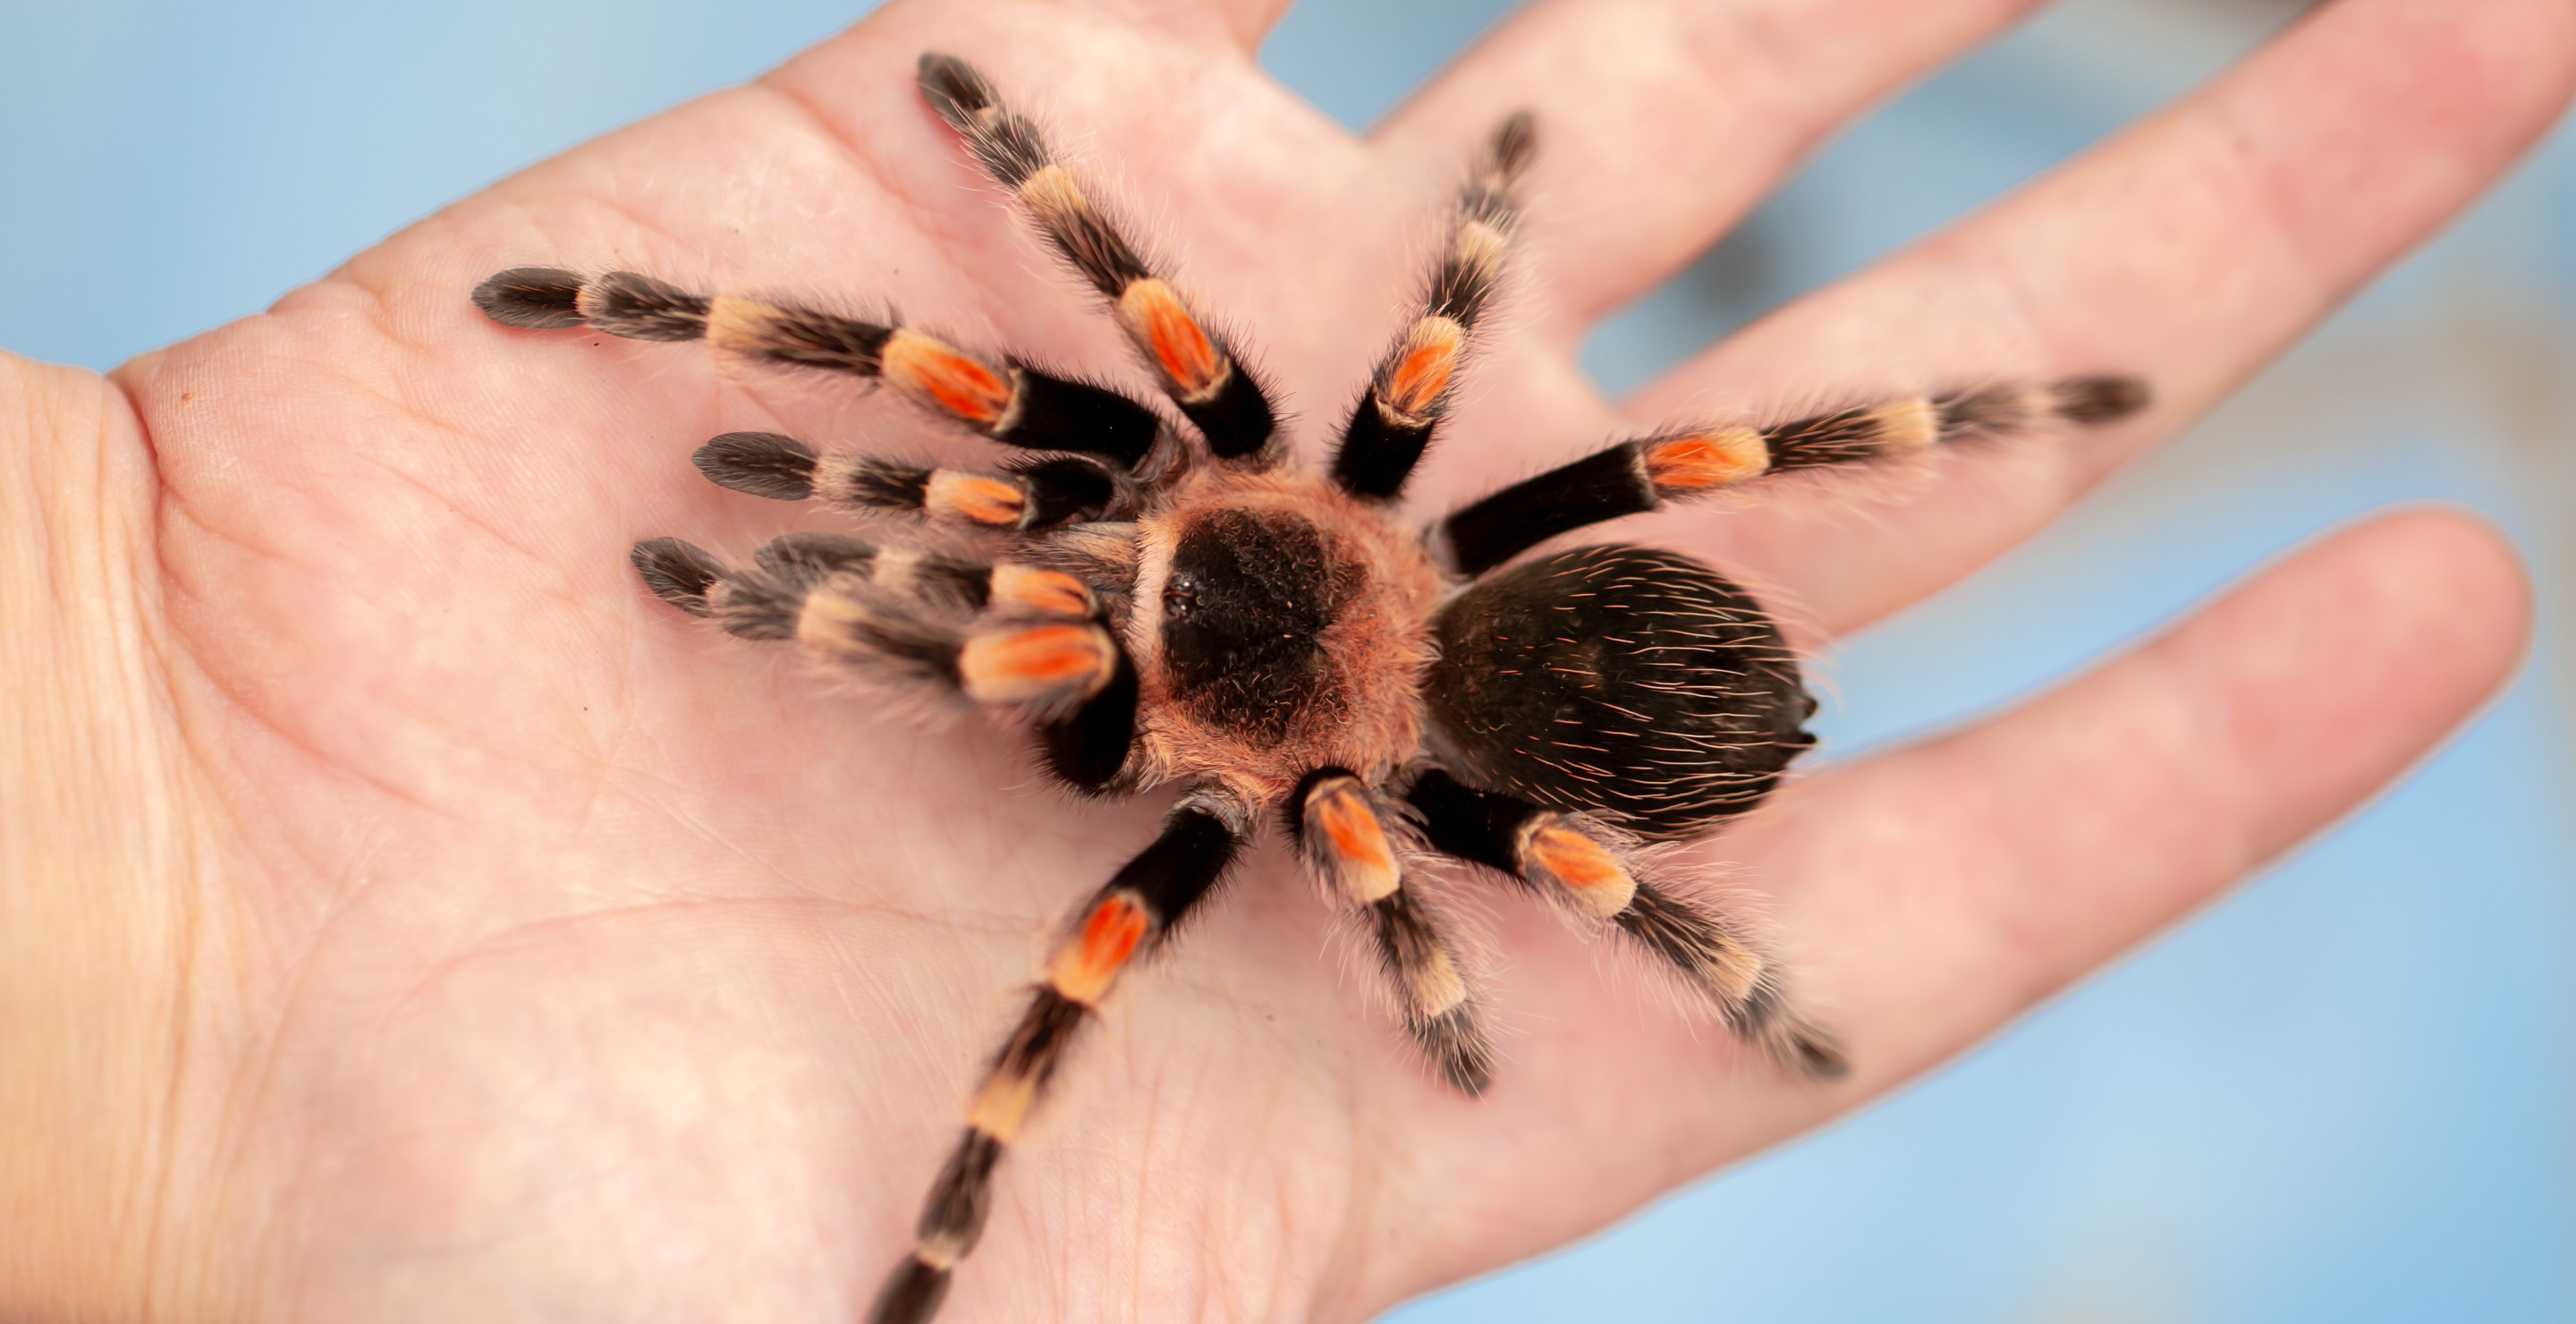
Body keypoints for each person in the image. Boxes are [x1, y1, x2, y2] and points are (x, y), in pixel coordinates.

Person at [3, 0, 2567, 1318]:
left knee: (1529, 588)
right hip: (1404, 638)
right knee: (1030, 435)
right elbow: (1091, 337)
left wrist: (1556, 946)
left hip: (1445, 711)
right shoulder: (1243, 466)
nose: (1092, 564)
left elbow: (1398, 862)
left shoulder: (1344, 773)